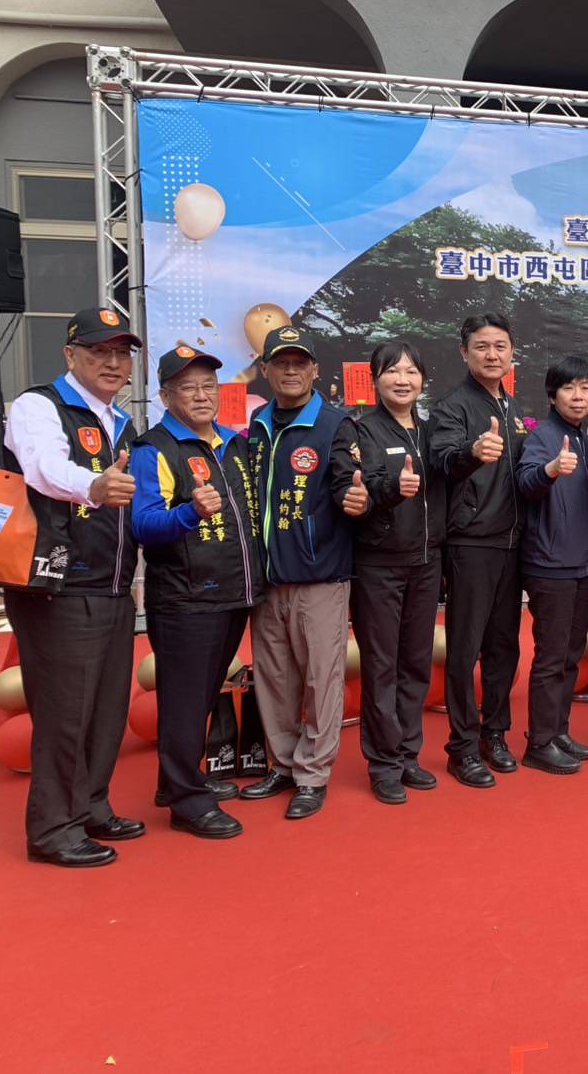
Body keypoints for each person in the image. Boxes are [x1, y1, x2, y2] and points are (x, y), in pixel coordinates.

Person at [1, 307, 142, 867]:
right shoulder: (38, 406)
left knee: (106, 708)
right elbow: (42, 467)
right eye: (98, 351)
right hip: (58, 585)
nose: (112, 362)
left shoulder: (121, 422)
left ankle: (91, 806)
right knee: (65, 712)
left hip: (112, 584)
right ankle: (53, 828)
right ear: (70, 355)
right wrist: (94, 485)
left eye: (121, 353)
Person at [131, 345, 263, 839]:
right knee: (185, 701)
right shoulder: (155, 449)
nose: (202, 395)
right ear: (166, 396)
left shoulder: (232, 443)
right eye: (189, 387)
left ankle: (174, 783)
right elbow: (143, 524)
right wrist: (190, 512)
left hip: (232, 594)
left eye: (209, 386)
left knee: (203, 696)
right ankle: (188, 801)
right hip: (185, 599)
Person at [241, 326, 363, 819]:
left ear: (315, 370)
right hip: (268, 579)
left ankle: (313, 774)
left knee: (321, 679)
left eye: (300, 363)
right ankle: (283, 765)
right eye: (281, 363)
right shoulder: (256, 426)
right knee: (275, 679)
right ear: (265, 370)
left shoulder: (336, 425)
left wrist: (356, 498)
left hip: (320, 577)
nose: (290, 371)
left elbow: (347, 482)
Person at [430, 313, 528, 788]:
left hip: (513, 542)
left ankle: (495, 733)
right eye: (482, 346)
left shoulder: (513, 406)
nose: (492, 355)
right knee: (465, 648)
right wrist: (472, 452)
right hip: (471, 542)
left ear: (512, 353)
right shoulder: (452, 407)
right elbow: (442, 461)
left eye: (500, 346)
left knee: (504, 646)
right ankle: (462, 747)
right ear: (464, 352)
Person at [347, 341, 445, 805]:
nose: (402, 380)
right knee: (382, 666)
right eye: (392, 371)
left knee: (415, 664)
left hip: (426, 563)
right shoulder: (360, 431)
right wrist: (390, 487)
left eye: (411, 372)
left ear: (423, 380)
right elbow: (357, 491)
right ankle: (383, 763)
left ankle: (408, 754)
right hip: (379, 565)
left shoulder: (431, 432)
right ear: (375, 379)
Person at [515, 356, 588, 775]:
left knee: (570, 656)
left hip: (583, 565)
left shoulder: (587, 439)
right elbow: (526, 482)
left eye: (585, 387)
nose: (578, 396)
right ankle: (539, 742)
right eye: (569, 388)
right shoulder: (543, 437)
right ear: (553, 395)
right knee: (551, 658)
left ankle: (558, 731)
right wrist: (550, 470)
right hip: (550, 566)